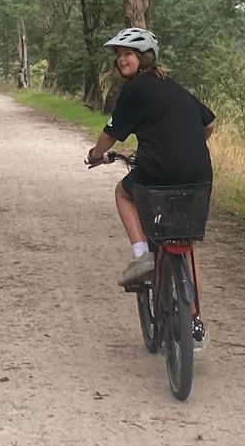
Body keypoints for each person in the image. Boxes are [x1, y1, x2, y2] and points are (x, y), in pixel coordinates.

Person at [85, 27, 214, 290]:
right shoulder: (173, 87)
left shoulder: (135, 89)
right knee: (188, 248)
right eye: (119, 55)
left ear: (145, 57)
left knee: (123, 192)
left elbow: (110, 135)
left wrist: (95, 155)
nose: (122, 59)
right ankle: (196, 326)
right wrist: (185, 145)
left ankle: (142, 255)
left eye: (129, 53)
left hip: (160, 172)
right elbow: (210, 123)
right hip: (198, 173)